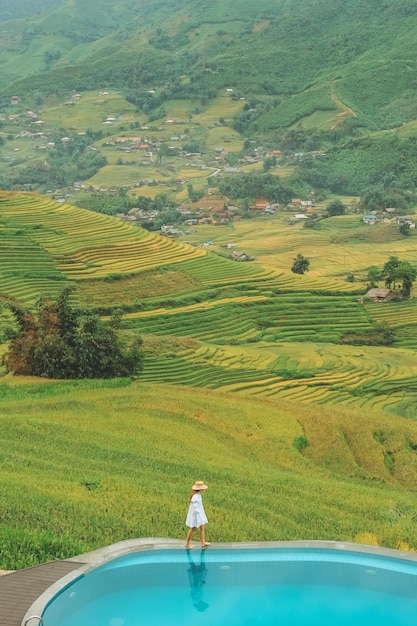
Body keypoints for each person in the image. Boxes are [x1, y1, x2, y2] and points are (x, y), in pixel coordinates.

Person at [185, 480, 210, 548]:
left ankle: (203, 542)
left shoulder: (198, 495)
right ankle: (187, 543)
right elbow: (195, 507)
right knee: (193, 528)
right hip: (196, 515)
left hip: (199, 513)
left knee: (202, 527)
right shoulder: (195, 497)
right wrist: (199, 514)